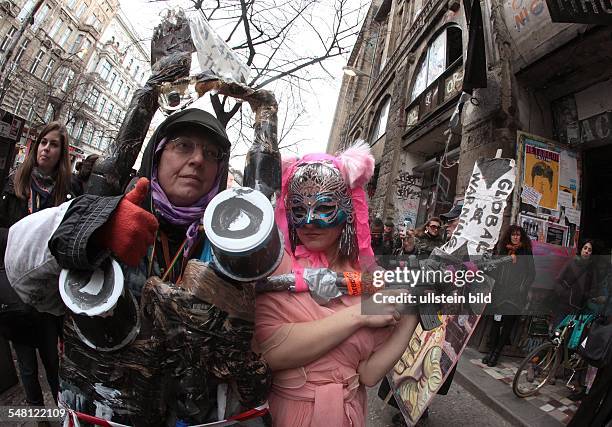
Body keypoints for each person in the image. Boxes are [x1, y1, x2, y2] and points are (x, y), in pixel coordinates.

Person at [5, 109, 270, 425]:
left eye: (211, 154)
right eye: (184, 146)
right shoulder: (117, 203)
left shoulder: (230, 242)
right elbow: (20, 270)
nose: (199, 160)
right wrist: (95, 228)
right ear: (156, 156)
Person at [255, 142, 420, 427]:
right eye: (298, 209)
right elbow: (267, 353)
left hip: (347, 415)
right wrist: (357, 316)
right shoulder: (276, 267)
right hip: (289, 415)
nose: (309, 222)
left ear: (349, 210)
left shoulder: (368, 280)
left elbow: (368, 374)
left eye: (325, 208)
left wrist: (412, 315)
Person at [0, 121, 72, 407]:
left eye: (54, 145)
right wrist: (22, 238)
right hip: (14, 290)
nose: (46, 149)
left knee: (53, 363)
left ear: (61, 153)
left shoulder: (67, 192)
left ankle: (62, 412)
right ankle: (40, 416)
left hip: (47, 292)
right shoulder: (15, 184)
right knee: (27, 366)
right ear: (35, 146)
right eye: (43, 142)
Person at [482, 225, 535, 367]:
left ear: (521, 237)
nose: (515, 237)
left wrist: (521, 289)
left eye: (518, 235)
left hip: (515, 296)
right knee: (495, 323)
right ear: (509, 236)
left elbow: (531, 274)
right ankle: (491, 351)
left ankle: (496, 354)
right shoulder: (503, 250)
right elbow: (494, 269)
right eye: (513, 235)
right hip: (499, 293)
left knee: (507, 326)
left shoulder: (526, 252)